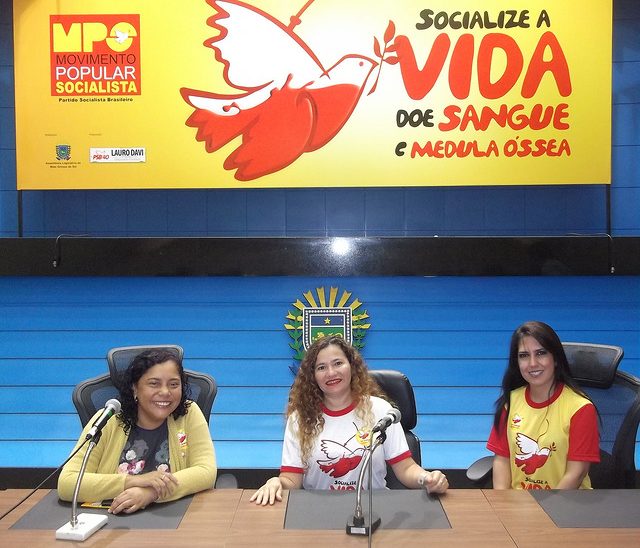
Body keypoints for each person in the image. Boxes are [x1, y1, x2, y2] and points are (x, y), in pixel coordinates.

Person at [250, 336, 448, 505]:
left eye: (338, 363)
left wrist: (427, 479)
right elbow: (292, 480)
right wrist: (276, 482)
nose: (331, 373)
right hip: (317, 512)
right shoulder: (300, 418)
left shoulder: (381, 411)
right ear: (313, 376)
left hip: (375, 509)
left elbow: (406, 468)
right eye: (321, 367)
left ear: (352, 366)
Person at [58, 348, 217, 514]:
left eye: (174, 384)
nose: (165, 392)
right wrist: (133, 481)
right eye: (154, 384)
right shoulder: (108, 420)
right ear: (135, 388)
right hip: (113, 519)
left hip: (173, 518)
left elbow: (206, 471)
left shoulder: (188, 413)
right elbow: (67, 483)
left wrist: (152, 493)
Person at [486, 321, 599, 490]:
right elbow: (502, 460)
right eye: (524, 355)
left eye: (541, 353)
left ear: (556, 359)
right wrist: (502, 502)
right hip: (519, 503)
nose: (532, 363)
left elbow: (576, 474)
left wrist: (547, 506)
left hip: (567, 503)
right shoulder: (510, 403)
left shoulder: (580, 408)